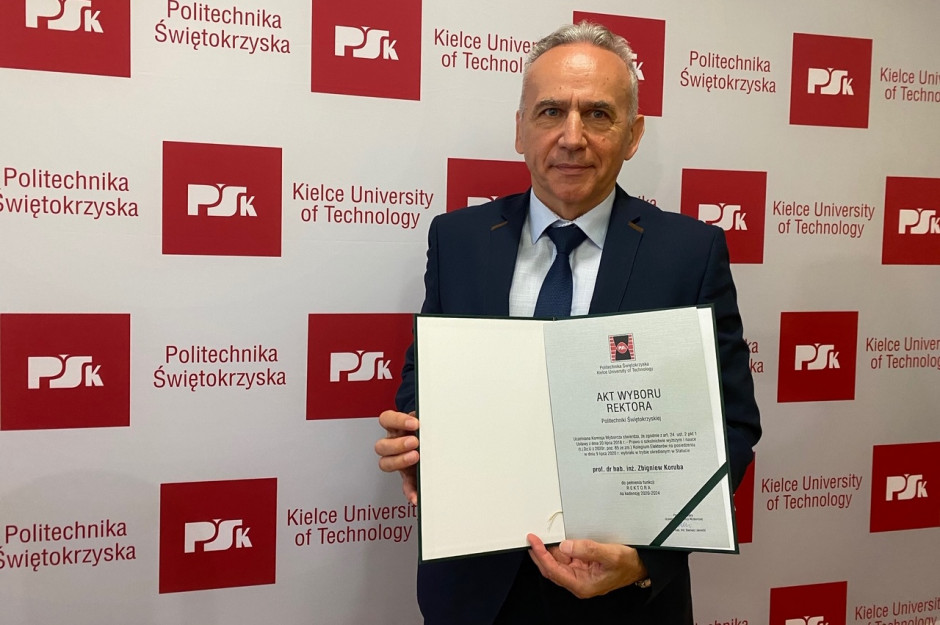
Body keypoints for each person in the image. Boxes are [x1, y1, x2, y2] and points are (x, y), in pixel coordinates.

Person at [375, 21, 761, 624]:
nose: (572, 137)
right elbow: (422, 382)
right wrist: (417, 442)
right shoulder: (458, 240)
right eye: (551, 111)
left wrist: (648, 559)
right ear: (520, 129)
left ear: (633, 135)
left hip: (624, 601)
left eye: (598, 115)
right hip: (475, 591)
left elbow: (731, 426)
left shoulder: (689, 253)